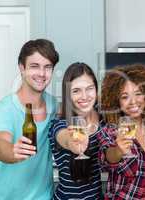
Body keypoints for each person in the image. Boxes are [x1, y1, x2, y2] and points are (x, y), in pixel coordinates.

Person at [0, 39, 59, 199]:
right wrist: (12, 151)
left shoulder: (54, 105)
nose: (42, 73)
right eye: (34, 66)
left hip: (45, 196)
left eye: (48, 67)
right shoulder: (5, 108)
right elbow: (1, 143)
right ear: (22, 68)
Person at [98, 63, 145, 199]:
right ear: (116, 101)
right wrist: (118, 150)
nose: (133, 102)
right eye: (125, 97)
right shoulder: (110, 130)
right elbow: (108, 157)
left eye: (138, 94)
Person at [48, 62, 103, 199]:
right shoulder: (59, 124)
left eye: (89, 88)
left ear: (96, 90)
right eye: (76, 90)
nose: (84, 96)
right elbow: (64, 137)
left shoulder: (104, 121)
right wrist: (73, 143)